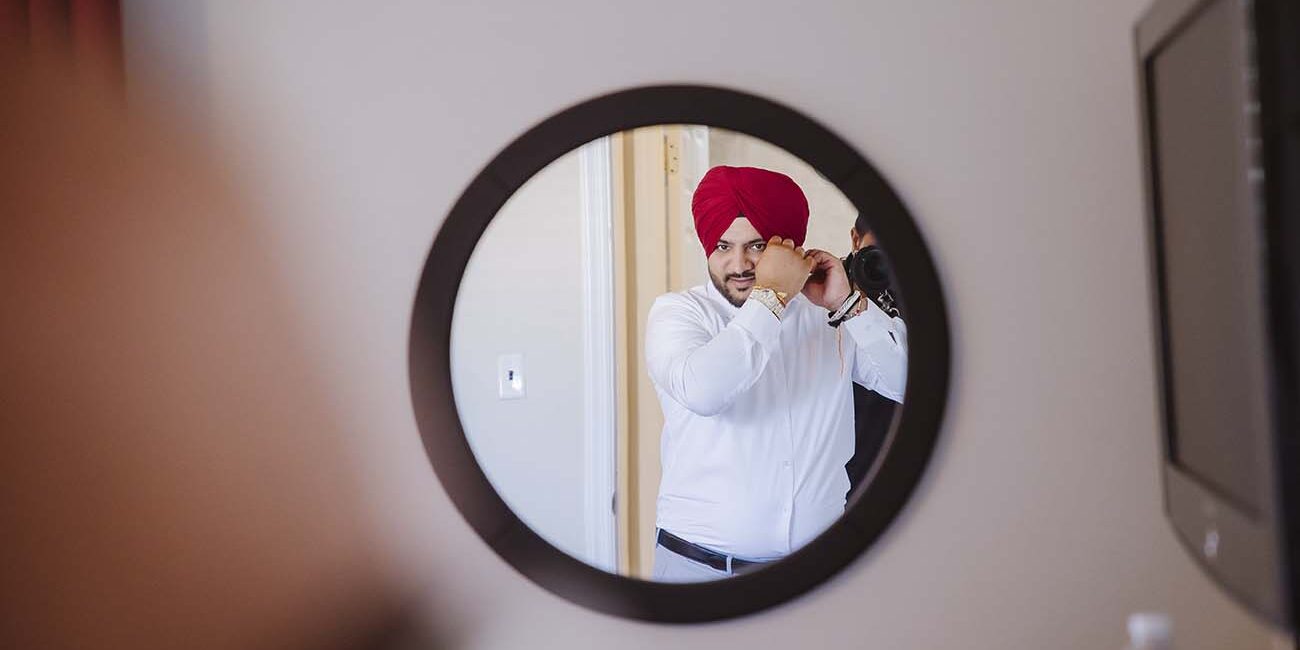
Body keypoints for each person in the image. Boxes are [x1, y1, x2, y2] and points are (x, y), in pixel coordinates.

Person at [644, 166, 907, 582]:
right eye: (723, 246)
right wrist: (770, 299)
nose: (739, 263)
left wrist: (851, 305)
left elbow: (907, 381)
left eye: (757, 246)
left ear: (789, 246)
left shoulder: (829, 312)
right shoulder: (678, 313)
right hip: (699, 572)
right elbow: (706, 391)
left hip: (820, 572)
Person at [843, 215, 902, 499]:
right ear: (856, 239)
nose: (887, 268)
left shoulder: (922, 296)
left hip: (891, 461)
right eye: (878, 255)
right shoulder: (821, 286)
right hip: (830, 470)